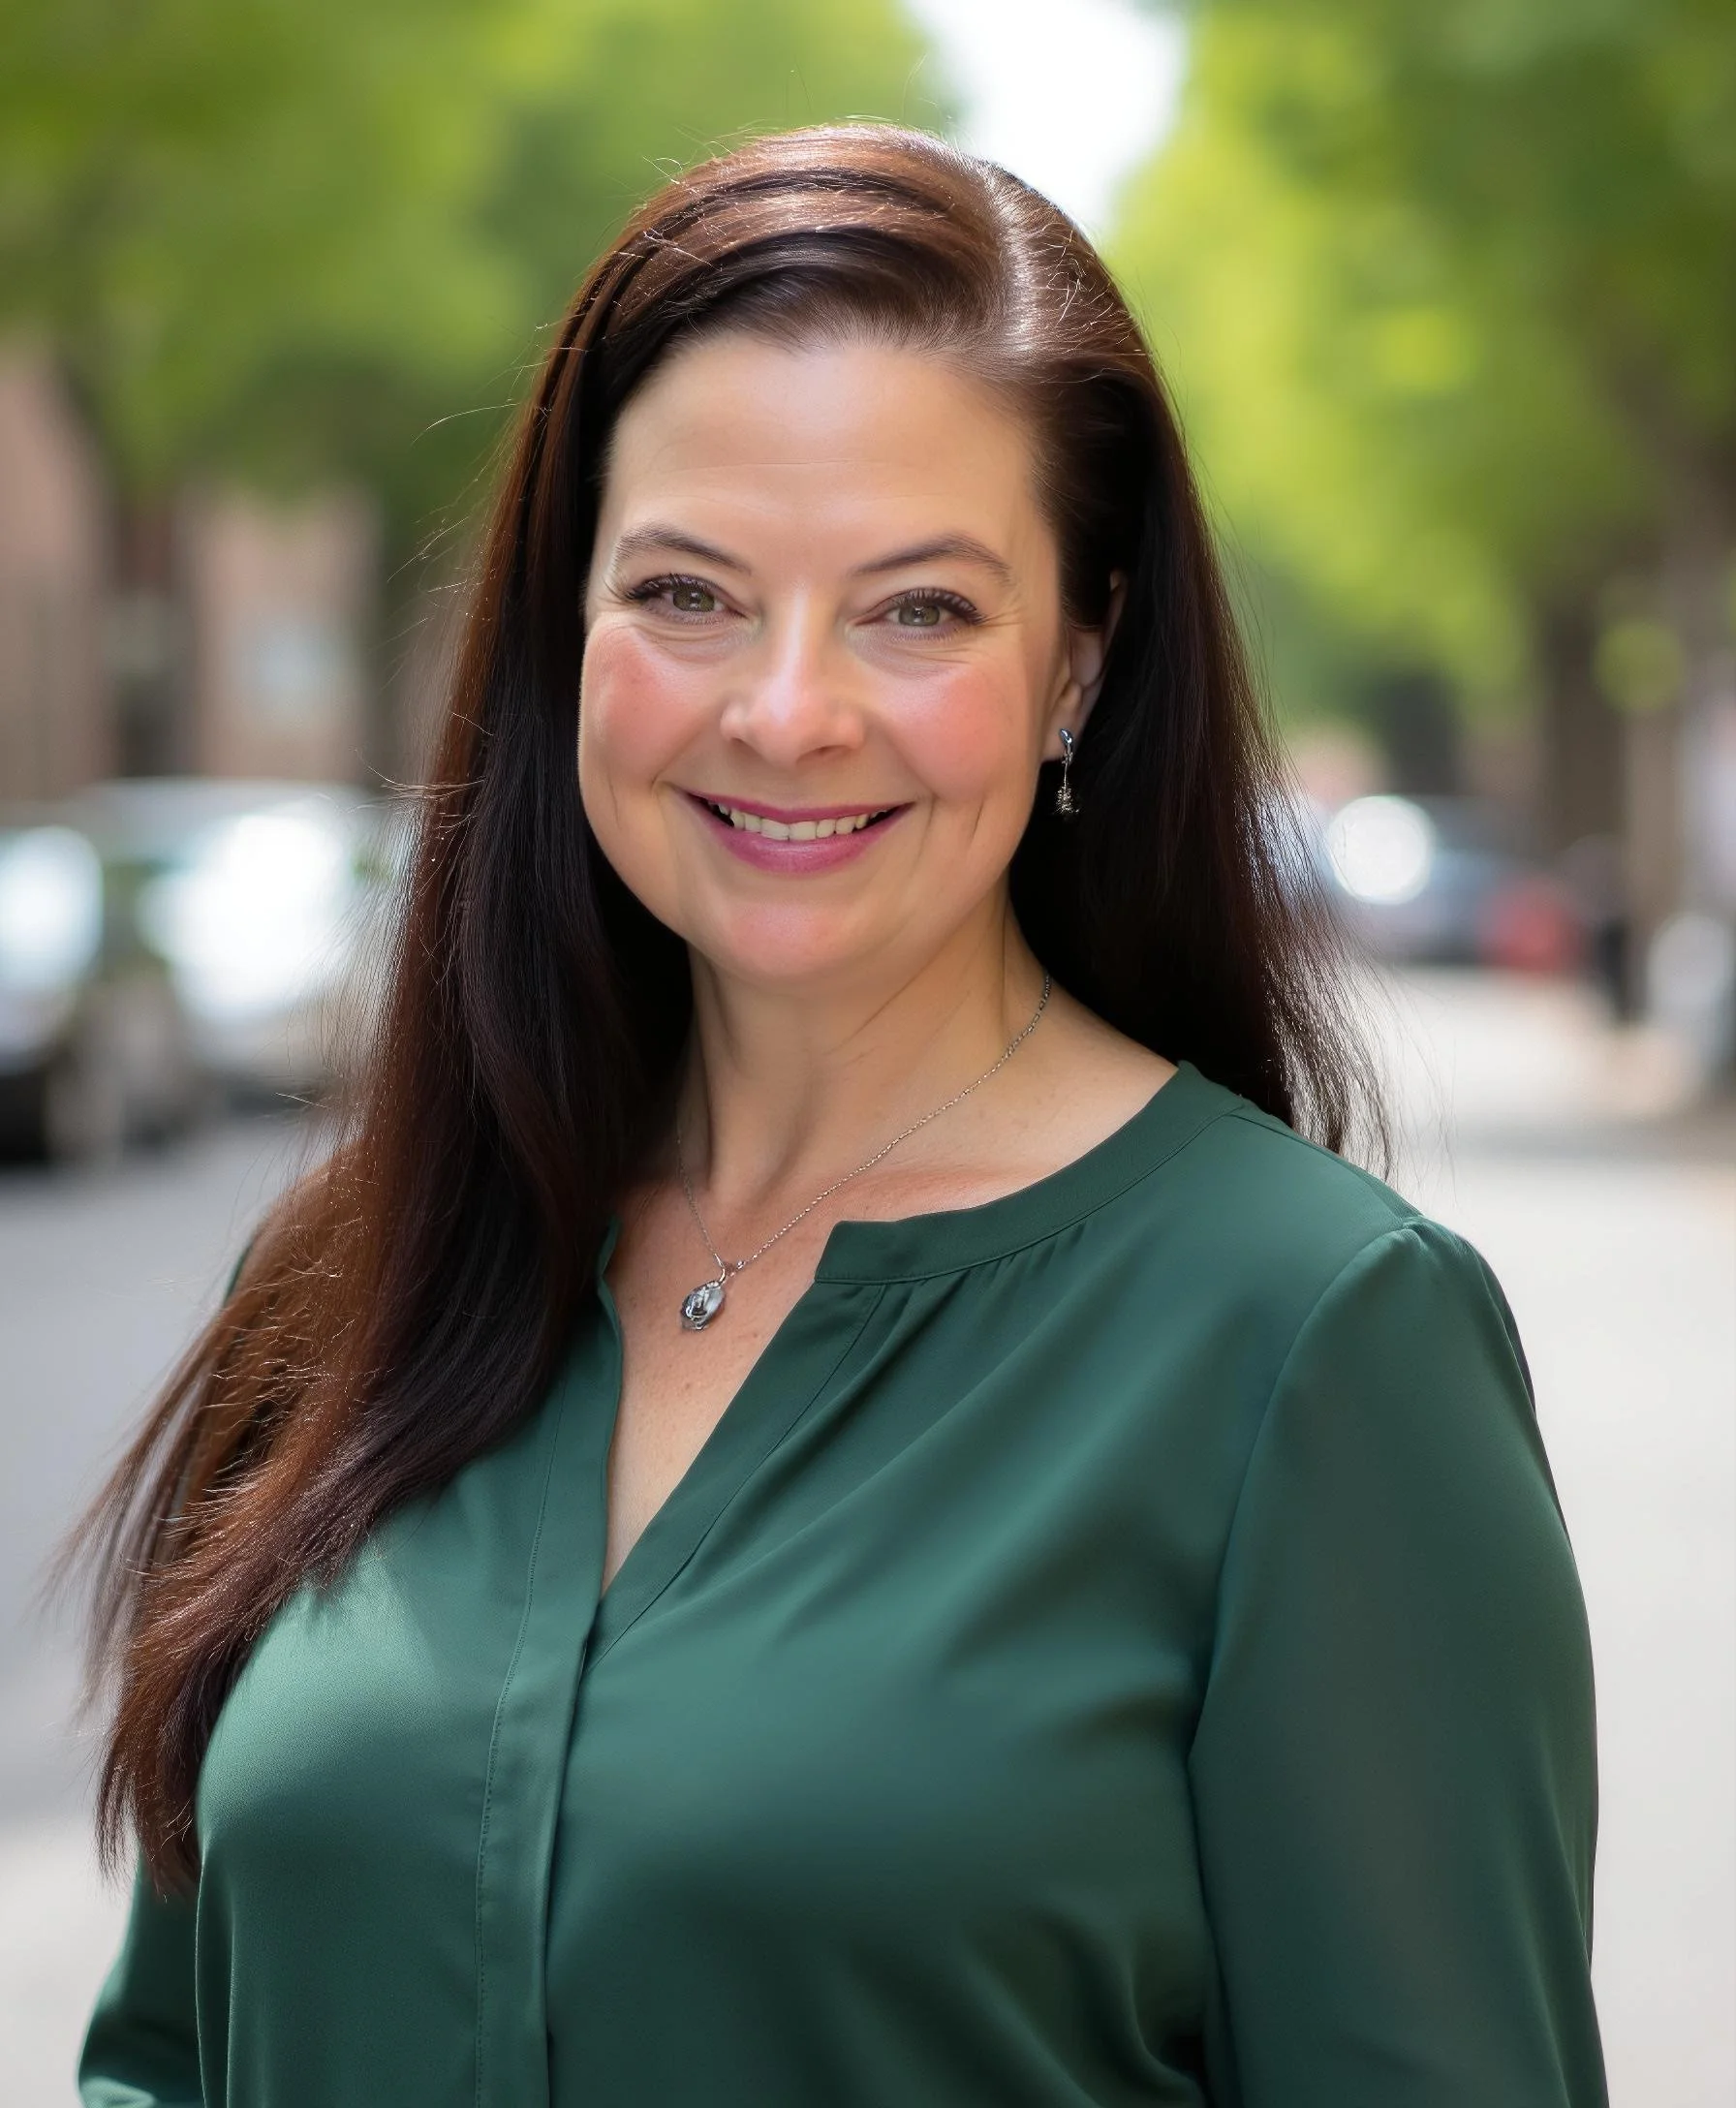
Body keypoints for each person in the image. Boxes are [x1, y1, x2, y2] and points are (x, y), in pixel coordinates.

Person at [75, 125, 1606, 2107]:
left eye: (914, 611)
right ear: (565, 632)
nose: (786, 709)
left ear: (1078, 658)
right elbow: (171, 2056)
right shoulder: (363, 1266)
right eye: (689, 590)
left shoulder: (1310, 1345)